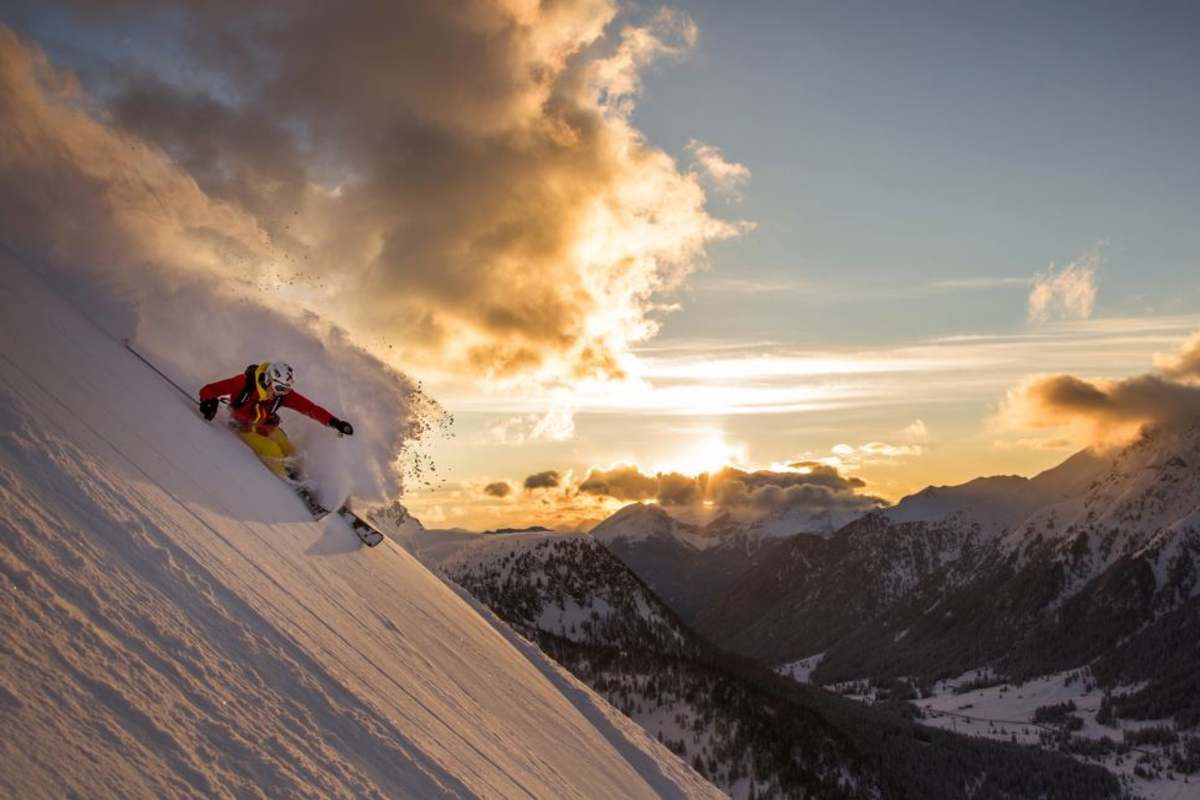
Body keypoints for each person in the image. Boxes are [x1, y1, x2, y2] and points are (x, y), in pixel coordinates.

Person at [198, 361, 354, 478]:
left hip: (265, 426)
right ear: (268, 381)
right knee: (272, 450)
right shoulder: (244, 383)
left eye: (286, 389)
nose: (282, 393)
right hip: (243, 427)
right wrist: (208, 402)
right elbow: (209, 390)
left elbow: (310, 408)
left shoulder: (282, 395)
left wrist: (334, 422)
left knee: (290, 450)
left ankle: (301, 480)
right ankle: (286, 482)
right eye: (280, 389)